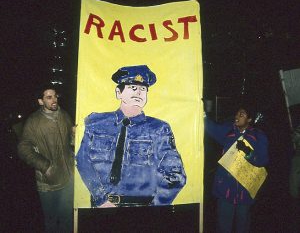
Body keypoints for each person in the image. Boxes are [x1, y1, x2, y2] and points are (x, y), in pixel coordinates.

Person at [76, 65, 186, 208]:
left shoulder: (158, 129)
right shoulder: (96, 123)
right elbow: (83, 160)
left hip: (143, 208)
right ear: (118, 93)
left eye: (143, 89)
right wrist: (100, 198)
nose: (139, 93)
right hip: (101, 206)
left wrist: (155, 208)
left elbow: (176, 175)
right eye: (133, 88)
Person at [204, 101, 269, 233]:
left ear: (249, 119)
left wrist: (248, 152)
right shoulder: (228, 131)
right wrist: (204, 116)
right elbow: (212, 128)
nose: (237, 117)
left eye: (242, 114)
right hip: (225, 188)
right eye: (237, 114)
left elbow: (263, 160)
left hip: (244, 191)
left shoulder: (257, 136)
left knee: (242, 226)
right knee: (223, 226)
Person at [18, 84, 75, 233]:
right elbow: (23, 148)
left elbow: (70, 143)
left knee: (67, 219)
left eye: (55, 96)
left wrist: (74, 136)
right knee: (51, 221)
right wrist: (45, 166)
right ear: (41, 101)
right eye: (49, 97)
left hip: (68, 177)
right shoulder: (33, 122)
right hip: (48, 183)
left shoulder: (65, 115)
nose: (54, 100)